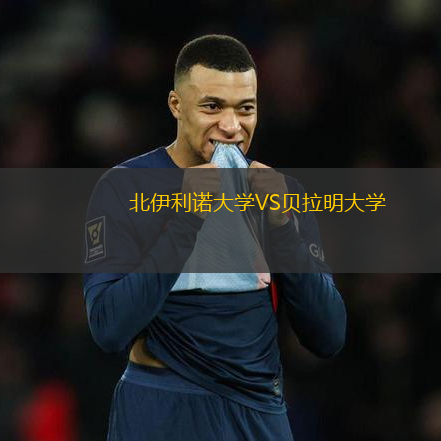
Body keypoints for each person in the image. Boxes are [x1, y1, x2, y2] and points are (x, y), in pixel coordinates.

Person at [83, 34, 346, 441]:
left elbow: (328, 336)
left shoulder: (281, 193)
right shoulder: (125, 188)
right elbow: (108, 328)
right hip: (162, 410)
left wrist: (281, 229)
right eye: (212, 107)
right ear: (176, 105)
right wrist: (188, 218)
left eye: (245, 109)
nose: (231, 126)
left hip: (256, 412)